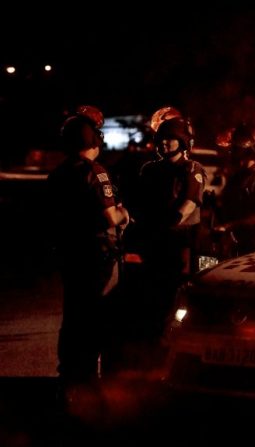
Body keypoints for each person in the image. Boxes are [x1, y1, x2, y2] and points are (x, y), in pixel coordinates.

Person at [47, 105, 130, 403]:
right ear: (95, 141)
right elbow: (111, 218)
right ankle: (90, 382)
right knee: (97, 317)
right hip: (99, 257)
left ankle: (68, 379)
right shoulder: (97, 172)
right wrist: (125, 213)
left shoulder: (58, 174)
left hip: (70, 255)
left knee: (72, 317)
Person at [137, 111, 206, 339]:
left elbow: (189, 202)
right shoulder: (151, 169)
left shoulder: (191, 169)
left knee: (176, 294)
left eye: (170, 138)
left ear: (182, 141)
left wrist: (169, 221)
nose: (164, 143)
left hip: (180, 241)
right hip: (153, 240)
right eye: (161, 139)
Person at [213, 124, 255, 255]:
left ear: (252, 151)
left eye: (237, 149)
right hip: (234, 246)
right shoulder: (237, 178)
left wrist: (230, 226)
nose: (232, 153)